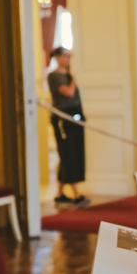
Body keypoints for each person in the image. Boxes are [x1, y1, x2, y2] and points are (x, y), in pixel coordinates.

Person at [47, 46, 87, 204]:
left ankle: (60, 193)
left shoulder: (68, 75)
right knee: (67, 154)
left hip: (75, 116)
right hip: (63, 119)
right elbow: (69, 92)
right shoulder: (54, 76)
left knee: (73, 153)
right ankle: (76, 193)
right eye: (65, 56)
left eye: (69, 56)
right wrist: (73, 79)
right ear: (57, 57)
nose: (67, 59)